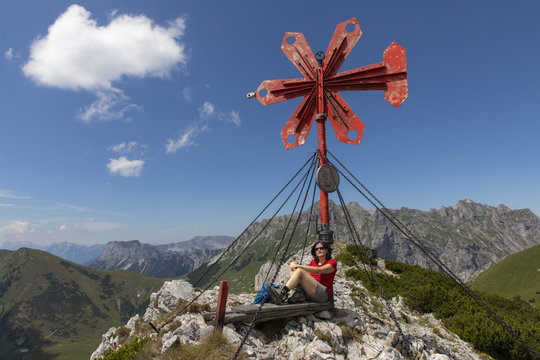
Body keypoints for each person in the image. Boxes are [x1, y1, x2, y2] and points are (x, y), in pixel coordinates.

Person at [269, 241, 337, 304]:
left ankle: (282, 293)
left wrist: (300, 267)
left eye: (321, 248)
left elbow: (319, 270)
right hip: (311, 290)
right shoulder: (313, 262)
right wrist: (294, 265)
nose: (319, 250)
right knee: (292, 264)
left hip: (322, 294)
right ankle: (298, 292)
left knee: (299, 271)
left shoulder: (332, 262)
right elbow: (310, 276)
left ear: (326, 250)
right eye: (316, 249)